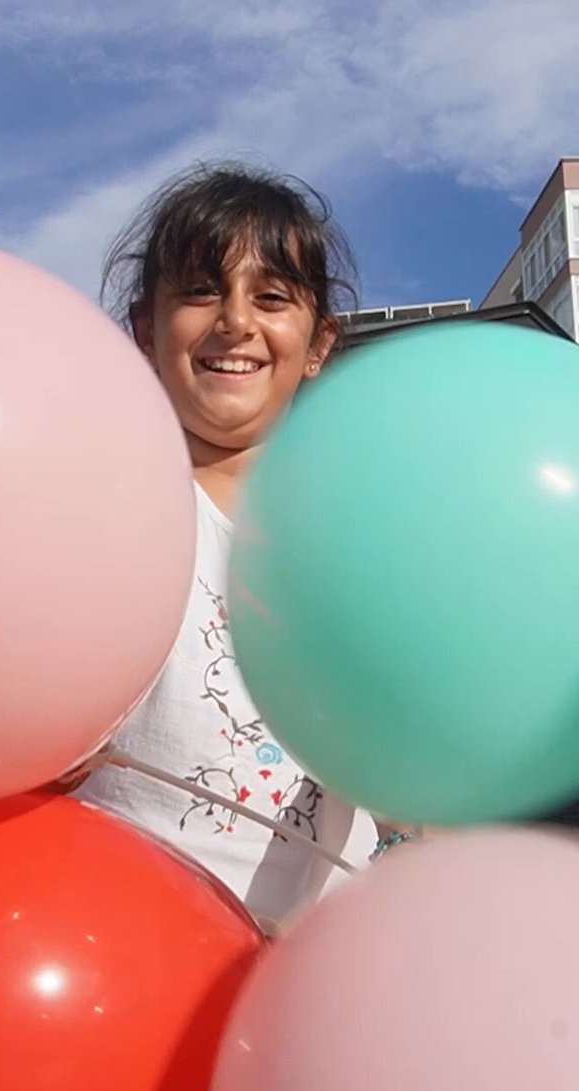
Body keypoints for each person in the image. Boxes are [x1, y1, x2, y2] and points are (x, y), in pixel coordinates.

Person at [77, 163, 385, 933]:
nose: (236, 322)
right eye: (201, 291)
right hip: (127, 957)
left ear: (319, 343)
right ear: (146, 331)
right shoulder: (94, 511)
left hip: (331, 962)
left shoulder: (367, 528)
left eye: (272, 297)